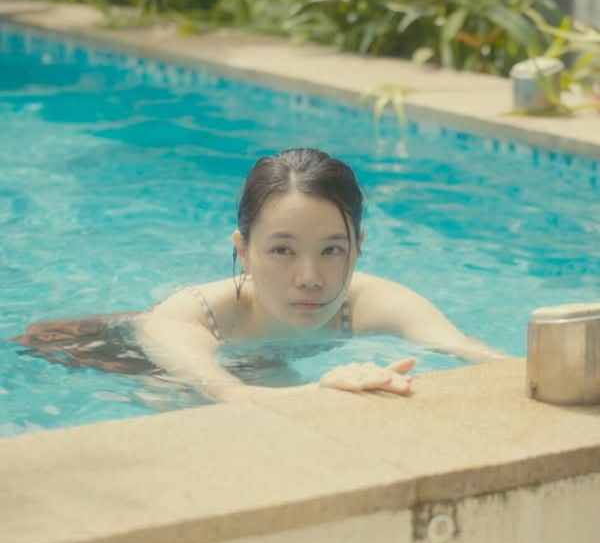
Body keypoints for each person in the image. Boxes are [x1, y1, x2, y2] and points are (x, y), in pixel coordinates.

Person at [12, 148, 506, 403]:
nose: (310, 277)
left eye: (332, 250)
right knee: (172, 400)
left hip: (256, 362)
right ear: (243, 251)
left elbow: (472, 352)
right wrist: (324, 389)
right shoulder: (184, 321)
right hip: (111, 354)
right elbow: (231, 395)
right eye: (282, 250)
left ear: (359, 247)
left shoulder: (370, 301)